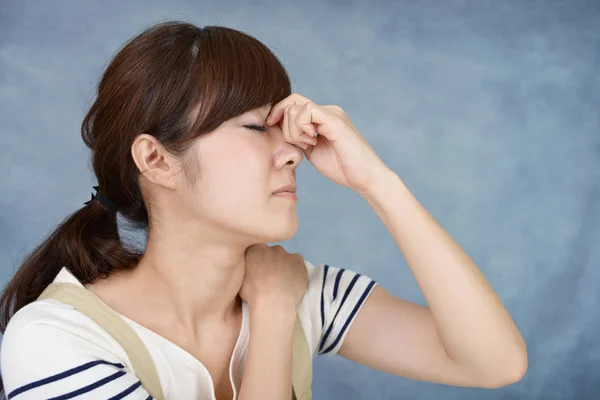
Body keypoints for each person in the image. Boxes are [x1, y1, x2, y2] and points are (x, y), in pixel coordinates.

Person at [0, 21, 527, 400]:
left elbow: (494, 363)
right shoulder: (55, 339)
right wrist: (273, 317)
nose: (294, 151)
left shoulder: (303, 290)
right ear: (156, 159)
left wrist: (377, 183)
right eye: (256, 128)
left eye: (284, 128)